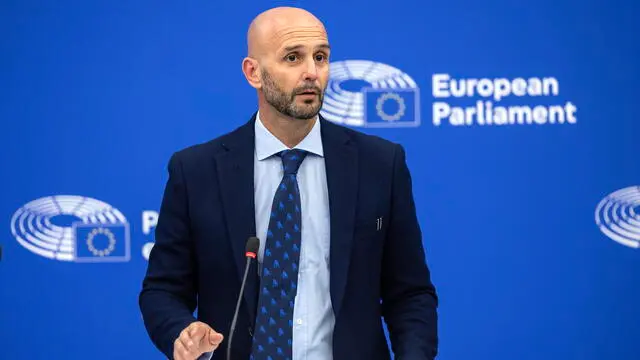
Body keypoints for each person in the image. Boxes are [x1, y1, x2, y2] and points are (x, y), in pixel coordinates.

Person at [139, 6, 438, 360]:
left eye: (321, 57)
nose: (312, 72)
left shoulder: (380, 163)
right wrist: (182, 331)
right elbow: (162, 290)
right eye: (293, 58)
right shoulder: (196, 170)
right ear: (253, 72)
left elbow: (410, 293)